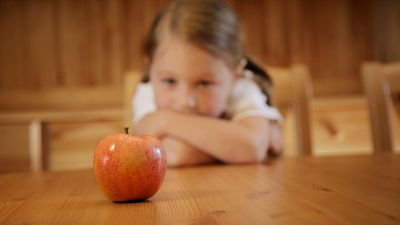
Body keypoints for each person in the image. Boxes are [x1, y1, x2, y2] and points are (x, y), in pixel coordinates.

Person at [132, 0, 283, 167]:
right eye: (169, 81)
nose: (185, 102)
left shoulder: (243, 89)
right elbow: (173, 152)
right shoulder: (147, 93)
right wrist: (234, 145)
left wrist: (165, 121)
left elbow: (252, 147)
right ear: (150, 67)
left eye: (204, 83)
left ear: (236, 75)